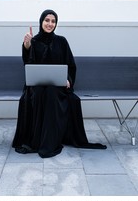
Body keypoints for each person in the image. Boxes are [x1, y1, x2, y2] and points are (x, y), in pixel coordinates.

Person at [12, 9, 107, 158]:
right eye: (47, 20)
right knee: (37, 94)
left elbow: (71, 64)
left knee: (51, 93)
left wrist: (68, 79)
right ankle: (37, 140)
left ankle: (50, 141)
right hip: (36, 86)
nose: (50, 24)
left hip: (57, 87)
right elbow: (28, 64)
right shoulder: (34, 41)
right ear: (41, 22)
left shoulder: (61, 41)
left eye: (53, 21)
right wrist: (27, 46)